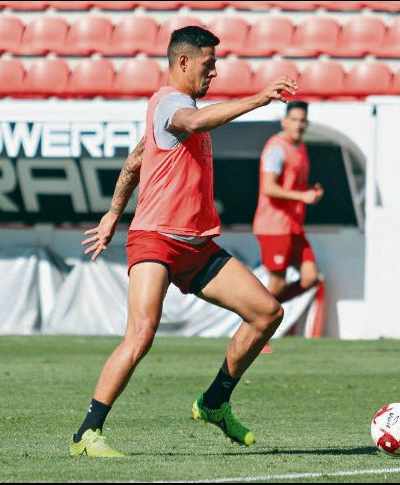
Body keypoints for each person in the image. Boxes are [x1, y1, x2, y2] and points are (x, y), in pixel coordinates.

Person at [70, 26, 298, 457]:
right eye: (209, 64)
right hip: (155, 239)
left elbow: (137, 158)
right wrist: (260, 99)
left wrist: (113, 211)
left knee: (267, 313)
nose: (215, 72)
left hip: (197, 247)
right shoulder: (173, 104)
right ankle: (87, 433)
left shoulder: (177, 108)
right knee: (141, 333)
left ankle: (213, 402)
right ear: (183, 62)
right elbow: (193, 121)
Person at [252, 101, 323, 304]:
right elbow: (268, 187)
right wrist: (302, 196)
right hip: (274, 226)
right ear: (284, 122)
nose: (298, 125)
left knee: (310, 278)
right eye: (294, 120)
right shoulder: (276, 148)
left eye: (302, 121)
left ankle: (265, 312)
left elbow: (294, 185)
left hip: (293, 226)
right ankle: (259, 319)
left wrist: (310, 192)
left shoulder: (300, 148)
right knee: (277, 284)